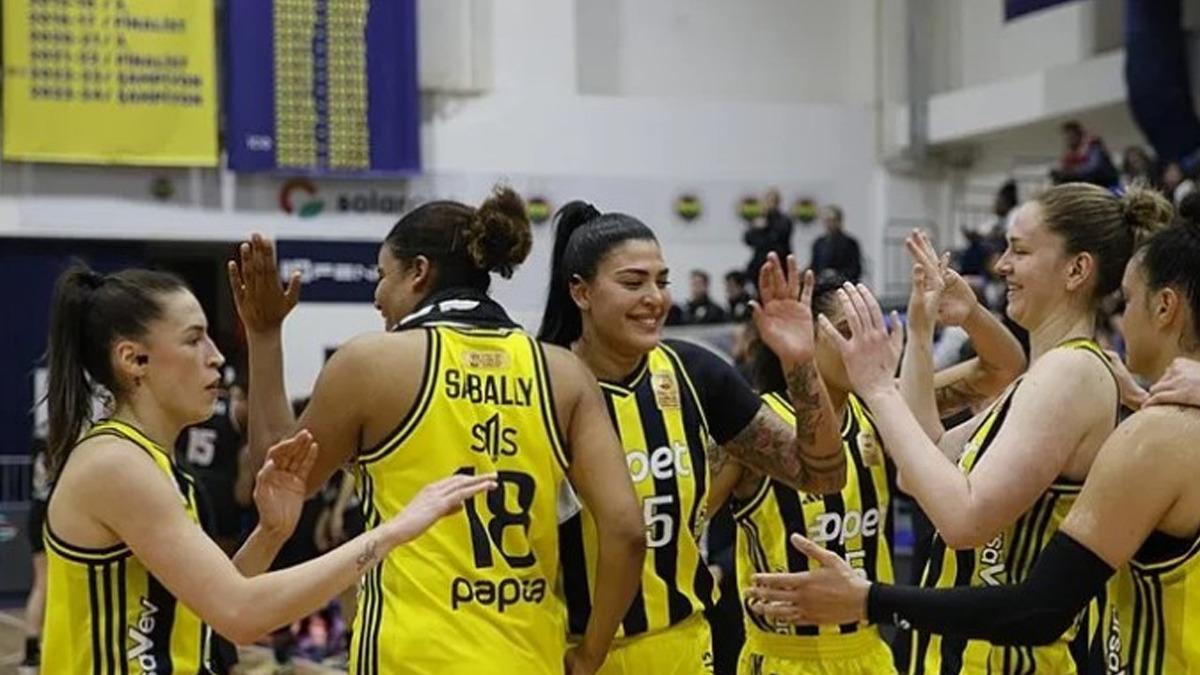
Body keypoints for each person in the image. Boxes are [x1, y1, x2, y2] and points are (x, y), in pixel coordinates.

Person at [748, 197, 1200, 673]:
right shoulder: (1052, 373)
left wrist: (878, 387)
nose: (1001, 264)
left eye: (1019, 251)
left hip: (1003, 659)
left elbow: (964, 521)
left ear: (1076, 270)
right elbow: (922, 467)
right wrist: (921, 330)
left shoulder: (1071, 373)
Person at [232, 187, 647, 675]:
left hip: (411, 659)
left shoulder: (372, 363)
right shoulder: (563, 372)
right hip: (529, 657)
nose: (377, 296)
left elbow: (277, 478)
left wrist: (263, 335)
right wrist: (591, 653)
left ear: (419, 272)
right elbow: (627, 531)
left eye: (383, 276)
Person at [39, 264, 494, 673]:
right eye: (194, 339)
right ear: (134, 360)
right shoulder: (115, 465)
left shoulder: (150, 462)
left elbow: (213, 605)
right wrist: (392, 531)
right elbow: (240, 613)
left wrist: (271, 532)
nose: (216, 356)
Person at [538, 201, 847, 675]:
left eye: (662, 281)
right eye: (633, 283)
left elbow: (822, 476)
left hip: (684, 644)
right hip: (569, 651)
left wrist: (799, 361)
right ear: (581, 292)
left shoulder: (694, 372)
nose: (655, 298)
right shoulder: (541, 382)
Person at [709, 264, 1025, 675]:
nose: (866, 342)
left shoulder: (881, 408)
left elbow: (1002, 369)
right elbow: (686, 517)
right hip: (784, 655)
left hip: (870, 651)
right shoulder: (757, 427)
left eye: (871, 327)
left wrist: (971, 312)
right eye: (848, 329)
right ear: (803, 336)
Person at [20, 439, 50, 673]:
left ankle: (31, 652)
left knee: (41, 584)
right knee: (47, 585)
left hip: (37, 511)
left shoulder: (38, 444)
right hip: (50, 513)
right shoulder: (66, 443)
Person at [743, 188, 794, 285]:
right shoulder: (759, 219)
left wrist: (764, 228)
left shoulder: (784, 220)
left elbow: (774, 239)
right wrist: (755, 228)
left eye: (771, 201)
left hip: (779, 263)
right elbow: (747, 239)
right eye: (766, 200)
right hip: (760, 263)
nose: (767, 204)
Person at [1050, 121, 1119, 188]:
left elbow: (1092, 168)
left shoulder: (1093, 146)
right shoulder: (1070, 154)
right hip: (1086, 186)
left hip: (1105, 184)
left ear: (1079, 135)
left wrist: (1071, 172)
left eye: (1071, 136)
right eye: (1067, 137)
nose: (1069, 139)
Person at [810, 206, 863, 283]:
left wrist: (837, 275)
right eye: (826, 220)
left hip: (842, 283)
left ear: (839, 221)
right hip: (822, 284)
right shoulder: (819, 243)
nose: (829, 224)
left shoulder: (850, 243)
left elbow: (855, 269)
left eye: (832, 220)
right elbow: (814, 266)